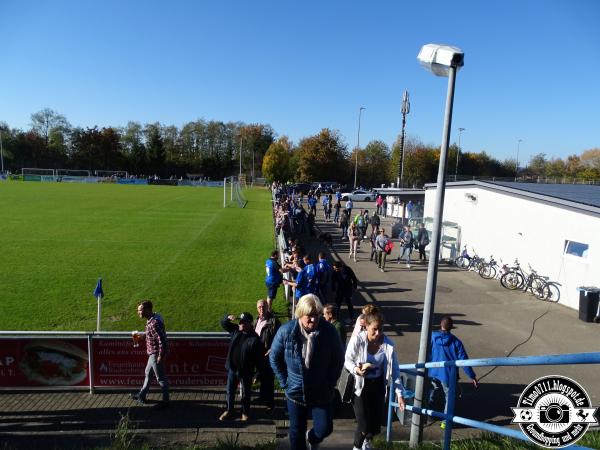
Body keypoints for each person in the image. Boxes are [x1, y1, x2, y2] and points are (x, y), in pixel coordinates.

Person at [270, 294, 344, 450]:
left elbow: (338, 359)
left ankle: (312, 437)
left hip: (321, 391)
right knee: (296, 432)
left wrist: (330, 383)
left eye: (316, 315)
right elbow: (274, 358)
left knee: (324, 428)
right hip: (295, 392)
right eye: (309, 316)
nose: (313, 320)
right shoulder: (286, 332)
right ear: (300, 314)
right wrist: (285, 382)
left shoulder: (329, 332)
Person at [345, 309, 406, 450]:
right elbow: (347, 360)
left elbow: (395, 371)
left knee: (374, 425)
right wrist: (356, 369)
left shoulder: (387, 345)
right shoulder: (358, 340)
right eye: (375, 329)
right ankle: (357, 447)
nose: (378, 333)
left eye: (381, 329)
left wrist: (400, 394)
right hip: (360, 385)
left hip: (377, 385)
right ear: (366, 326)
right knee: (363, 424)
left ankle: (367, 442)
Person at [428, 316, 479, 428]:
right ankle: (445, 422)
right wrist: (472, 376)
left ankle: (427, 413)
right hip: (448, 374)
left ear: (441, 325)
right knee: (449, 397)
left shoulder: (432, 336)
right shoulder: (456, 342)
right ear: (452, 327)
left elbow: (427, 352)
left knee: (430, 391)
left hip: (432, 371)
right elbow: (463, 361)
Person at [220, 312, 264, 421]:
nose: (240, 323)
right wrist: (227, 317)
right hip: (232, 369)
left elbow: (259, 359)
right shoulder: (235, 330)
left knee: (246, 393)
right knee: (230, 391)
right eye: (239, 321)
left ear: (249, 324)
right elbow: (224, 324)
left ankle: (245, 412)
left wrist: (257, 374)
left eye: (243, 322)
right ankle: (229, 410)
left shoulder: (255, 339)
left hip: (246, 371)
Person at [130, 300, 170, 409]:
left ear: (147, 310)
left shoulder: (154, 323)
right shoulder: (153, 319)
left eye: (140, 310)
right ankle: (141, 395)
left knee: (160, 379)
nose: (138, 312)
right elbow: (153, 336)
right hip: (153, 354)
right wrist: (141, 337)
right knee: (147, 373)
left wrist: (160, 356)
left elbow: (162, 340)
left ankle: (166, 401)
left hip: (155, 354)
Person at [254, 300, 281, 412]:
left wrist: (272, 349)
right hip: (258, 354)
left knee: (269, 379)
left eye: (263, 307)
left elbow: (280, 337)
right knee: (262, 377)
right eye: (259, 307)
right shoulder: (256, 320)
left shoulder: (274, 321)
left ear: (268, 307)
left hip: (269, 354)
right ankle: (262, 397)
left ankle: (270, 404)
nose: (261, 309)